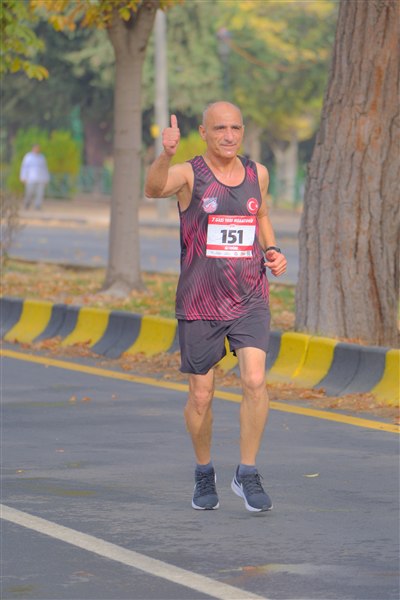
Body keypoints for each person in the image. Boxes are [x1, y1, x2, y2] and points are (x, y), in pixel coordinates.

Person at [145, 101, 287, 512]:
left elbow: (261, 215)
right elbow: (153, 188)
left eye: (235, 128)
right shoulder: (190, 174)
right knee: (201, 396)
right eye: (220, 128)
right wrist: (165, 154)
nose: (229, 136)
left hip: (249, 296)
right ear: (204, 133)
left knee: (255, 380)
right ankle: (204, 470)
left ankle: (247, 472)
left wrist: (273, 249)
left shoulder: (257, 173)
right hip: (200, 299)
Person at [20, 144, 50, 210]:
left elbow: (45, 168)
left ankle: (38, 205)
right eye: (36, 148)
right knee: (29, 192)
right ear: (33, 148)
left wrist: (46, 178)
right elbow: (24, 167)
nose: (37, 150)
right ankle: (27, 203)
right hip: (30, 178)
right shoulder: (28, 157)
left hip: (40, 179)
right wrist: (23, 177)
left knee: (40, 193)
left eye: (38, 148)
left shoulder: (41, 157)